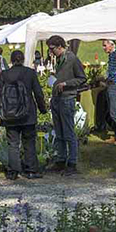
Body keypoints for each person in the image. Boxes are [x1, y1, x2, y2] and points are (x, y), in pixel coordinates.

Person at [0, 50, 47, 180]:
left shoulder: (5, 74)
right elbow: (38, 93)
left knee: (13, 143)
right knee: (29, 142)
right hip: (28, 113)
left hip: (9, 114)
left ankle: (13, 171)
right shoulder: (30, 73)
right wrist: (43, 109)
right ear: (23, 60)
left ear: (11, 60)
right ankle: (31, 170)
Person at [46, 36, 87, 175]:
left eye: (52, 49)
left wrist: (66, 83)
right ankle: (60, 160)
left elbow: (82, 78)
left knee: (69, 132)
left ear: (59, 46)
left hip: (67, 98)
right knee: (58, 132)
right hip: (57, 98)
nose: (50, 52)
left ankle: (72, 163)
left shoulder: (72, 58)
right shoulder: (58, 59)